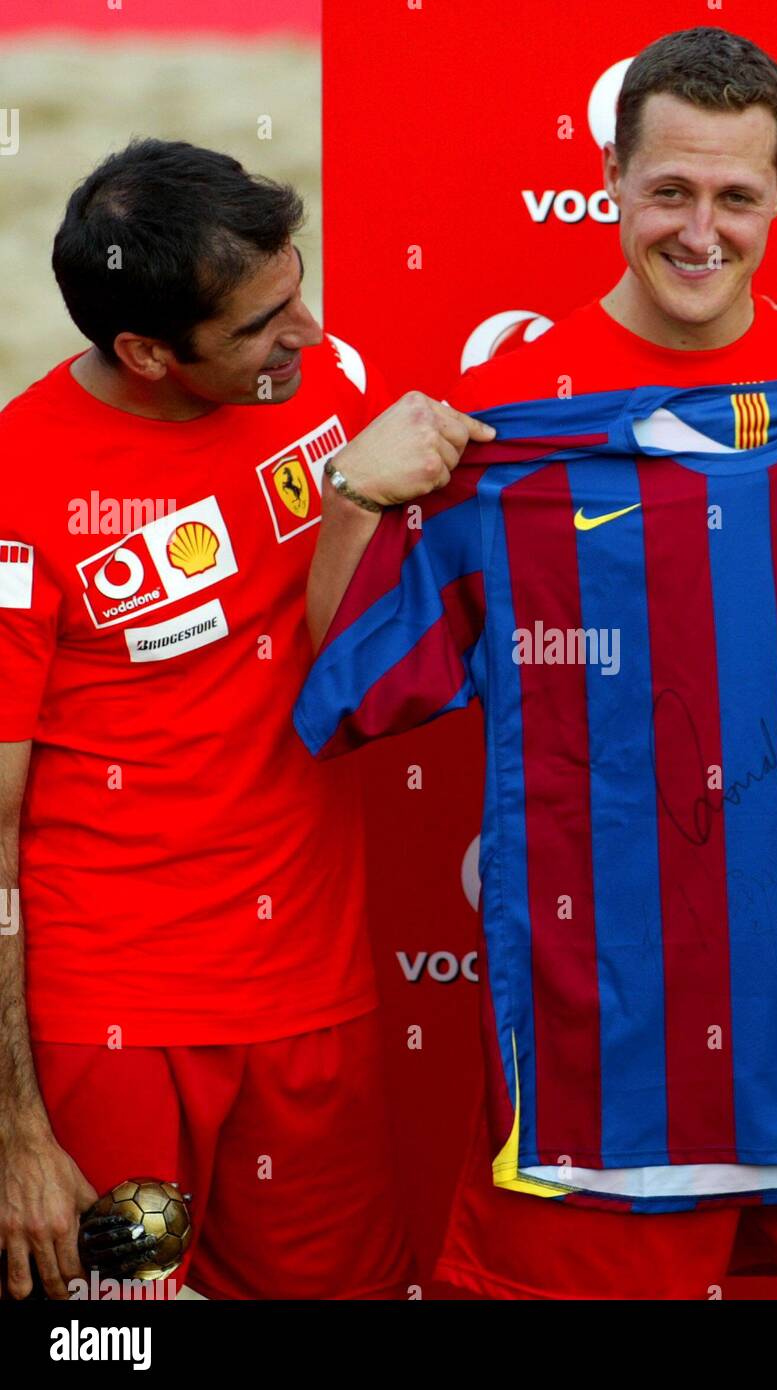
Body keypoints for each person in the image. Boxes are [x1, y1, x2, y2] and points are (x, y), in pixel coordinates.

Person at [302, 28, 777, 1300]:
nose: (700, 230)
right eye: (669, 191)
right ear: (611, 183)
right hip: (606, 1066)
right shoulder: (505, 419)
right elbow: (352, 683)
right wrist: (352, 501)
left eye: (734, 196)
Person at [0, 138, 490, 1301]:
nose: (309, 331)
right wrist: (15, 1128)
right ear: (146, 352)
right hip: (110, 1028)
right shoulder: (19, 487)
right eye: (264, 321)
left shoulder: (321, 384)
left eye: (298, 286)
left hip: (315, 996)